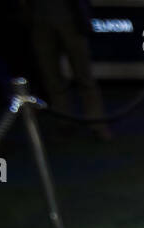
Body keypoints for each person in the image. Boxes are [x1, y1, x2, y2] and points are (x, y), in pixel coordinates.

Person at [26, 0, 112, 141]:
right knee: (52, 78)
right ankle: (64, 122)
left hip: (72, 20)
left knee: (84, 77)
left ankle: (97, 123)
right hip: (39, 21)